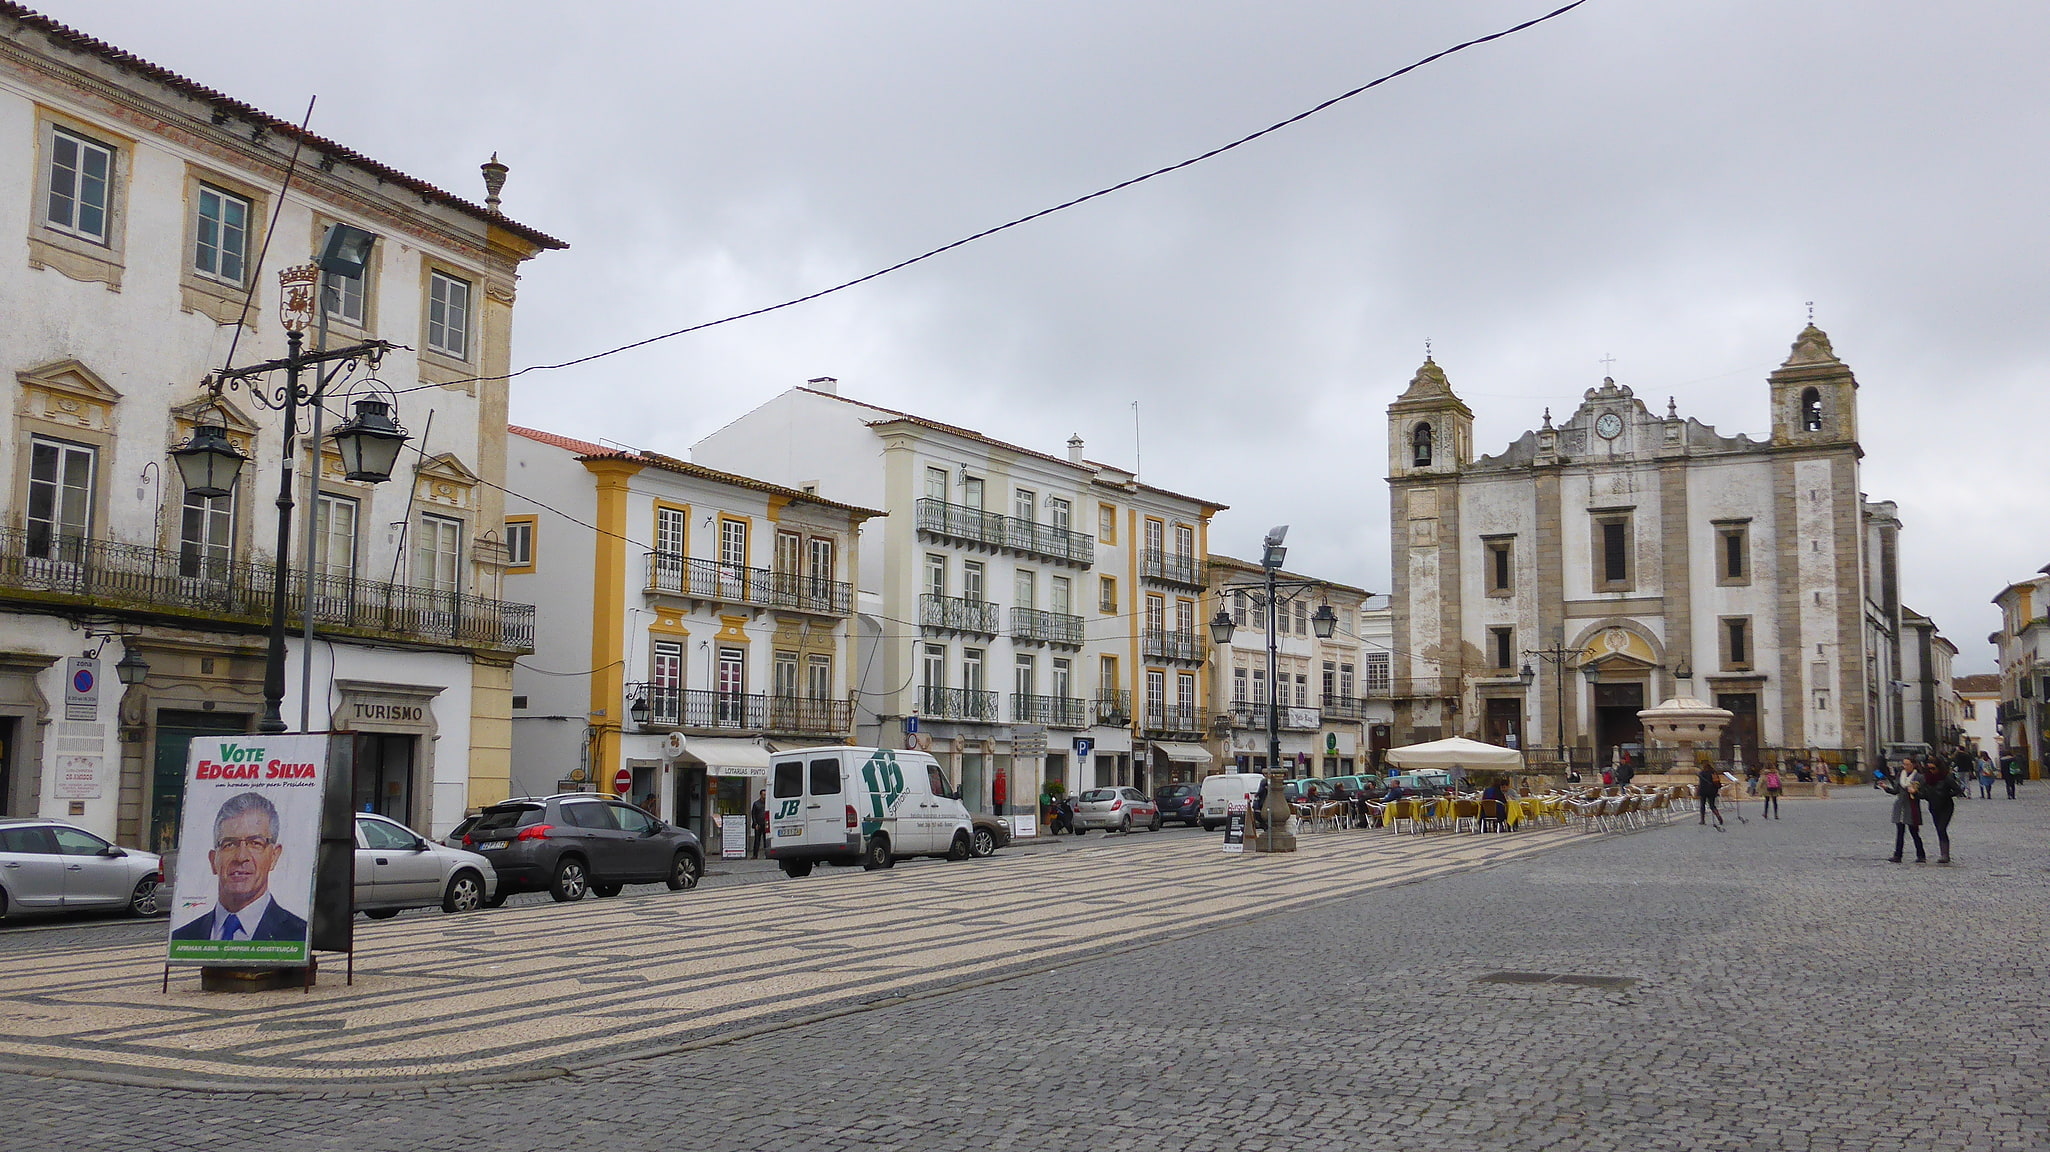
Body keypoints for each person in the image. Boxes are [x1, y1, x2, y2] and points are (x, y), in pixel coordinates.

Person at [171, 791, 309, 942]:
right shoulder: (183, 937)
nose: (241, 857)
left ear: (274, 856)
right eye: (229, 844)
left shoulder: (299, 936)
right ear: (213, 860)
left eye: (256, 843)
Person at [1884, 759, 1926, 863]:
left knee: (1914, 832)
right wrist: (1886, 788)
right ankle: (1898, 855)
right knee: (1900, 832)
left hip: (1911, 807)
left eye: (1908, 764)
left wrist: (1915, 792)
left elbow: (1924, 794)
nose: (1905, 766)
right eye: (1904, 764)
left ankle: (1921, 855)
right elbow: (1896, 791)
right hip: (1900, 806)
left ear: (1913, 765)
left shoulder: (1919, 777)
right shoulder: (1900, 775)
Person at [1922, 760, 1962, 865]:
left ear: (1939, 768)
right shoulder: (1927, 780)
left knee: (1941, 828)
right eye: (1929, 769)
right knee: (1939, 830)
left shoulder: (1946, 778)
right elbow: (1924, 793)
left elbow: (1958, 789)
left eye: (1933, 768)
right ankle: (1943, 853)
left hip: (1946, 807)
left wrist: (1947, 795)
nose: (1931, 771)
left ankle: (1945, 854)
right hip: (1934, 807)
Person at [1696, 765, 1723, 830]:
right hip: (1712, 791)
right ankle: (1718, 816)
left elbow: (1700, 783)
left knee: (1702, 805)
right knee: (1712, 805)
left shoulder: (1701, 773)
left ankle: (1702, 820)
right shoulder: (1713, 772)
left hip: (1703, 791)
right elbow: (1717, 782)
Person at [747, 791, 767, 859]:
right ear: (761, 795)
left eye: (765, 795)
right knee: (757, 840)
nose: (765, 796)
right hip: (758, 824)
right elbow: (753, 814)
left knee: (766, 840)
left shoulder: (768, 803)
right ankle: (755, 855)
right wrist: (755, 823)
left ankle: (766, 854)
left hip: (766, 824)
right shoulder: (756, 804)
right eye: (764, 795)